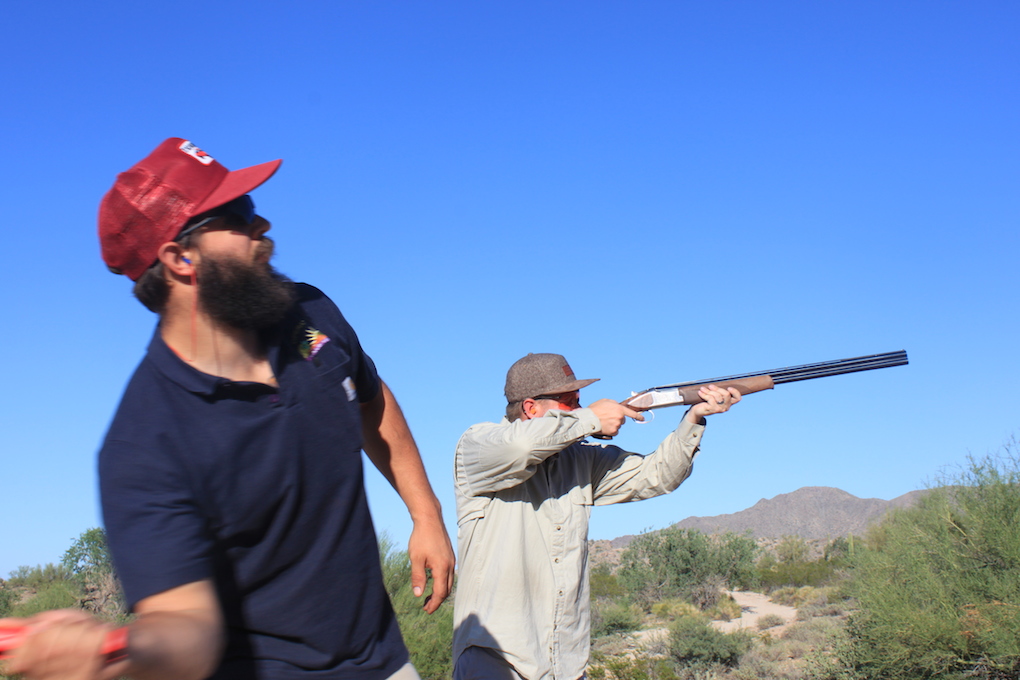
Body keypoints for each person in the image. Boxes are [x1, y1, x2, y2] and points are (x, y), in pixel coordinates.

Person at [1, 138, 455, 680]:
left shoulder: (307, 309)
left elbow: (371, 400)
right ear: (178, 258)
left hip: (384, 660)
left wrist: (425, 514)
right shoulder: (143, 445)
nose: (262, 227)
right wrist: (112, 657)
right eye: (238, 215)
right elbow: (181, 624)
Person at [452, 353, 740, 680]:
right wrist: (591, 419)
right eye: (570, 402)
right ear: (531, 409)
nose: (580, 409)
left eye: (581, 402)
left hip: (566, 664)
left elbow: (658, 475)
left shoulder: (581, 460)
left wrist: (695, 417)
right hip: (496, 661)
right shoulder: (478, 445)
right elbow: (519, 448)